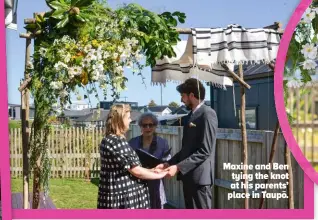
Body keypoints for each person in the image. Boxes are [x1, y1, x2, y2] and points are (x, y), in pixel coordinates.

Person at [156, 78, 218, 209]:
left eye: (182, 96)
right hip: (188, 178)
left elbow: (205, 151)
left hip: (200, 180)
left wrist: (178, 167)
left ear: (191, 95)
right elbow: (187, 149)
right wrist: (169, 163)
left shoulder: (207, 114)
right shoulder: (190, 116)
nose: (181, 100)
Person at [97, 104, 167, 209]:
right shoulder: (117, 141)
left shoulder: (111, 139)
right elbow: (135, 170)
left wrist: (152, 170)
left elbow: (128, 167)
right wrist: (161, 174)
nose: (130, 120)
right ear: (120, 119)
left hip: (118, 194)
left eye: (151, 125)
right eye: (128, 118)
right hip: (122, 197)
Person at [128, 113, 171, 209]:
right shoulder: (132, 143)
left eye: (150, 125)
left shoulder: (163, 143)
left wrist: (164, 166)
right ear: (140, 127)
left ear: (155, 126)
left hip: (156, 185)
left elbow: (168, 162)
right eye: (144, 125)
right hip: (137, 184)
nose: (148, 128)